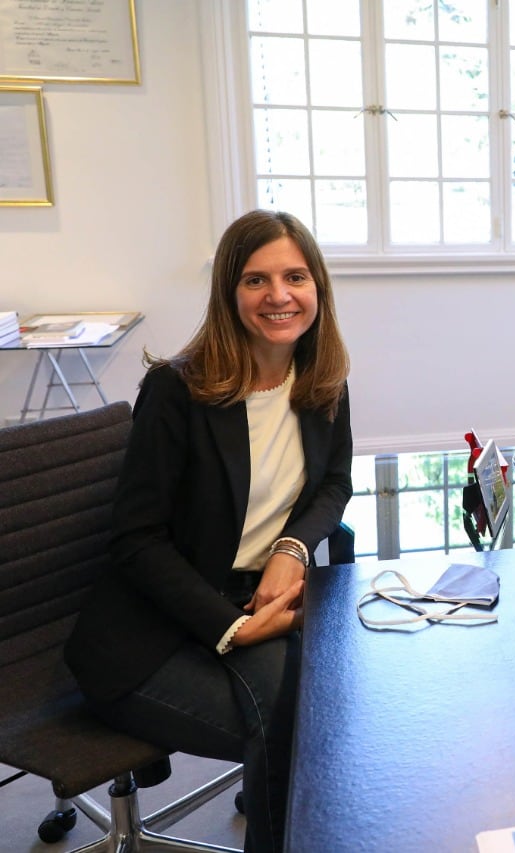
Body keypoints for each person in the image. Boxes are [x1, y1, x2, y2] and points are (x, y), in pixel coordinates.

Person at [65, 209, 353, 853]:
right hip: (153, 631)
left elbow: (334, 483)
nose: (278, 296)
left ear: (318, 289)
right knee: (294, 732)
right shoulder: (177, 390)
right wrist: (235, 628)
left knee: (338, 704)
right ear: (229, 293)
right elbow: (136, 539)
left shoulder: (321, 377)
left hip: (254, 599)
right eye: (256, 280)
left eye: (294, 277)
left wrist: (291, 547)